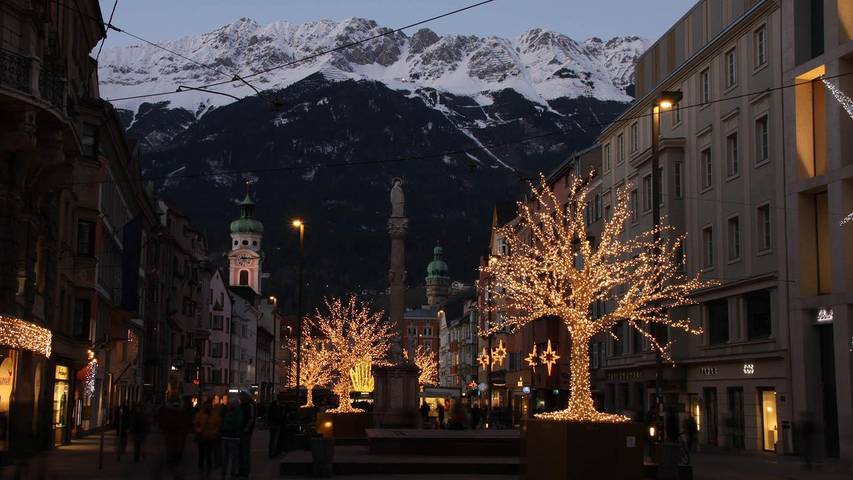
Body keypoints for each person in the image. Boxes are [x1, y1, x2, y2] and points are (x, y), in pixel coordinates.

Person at [158, 396, 192, 479]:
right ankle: (174, 466)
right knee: (176, 450)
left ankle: (173, 466)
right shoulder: (182, 412)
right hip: (176, 435)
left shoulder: (168, 411)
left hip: (174, 435)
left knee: (173, 450)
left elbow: (163, 422)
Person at [194, 400, 222, 480]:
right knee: (201, 454)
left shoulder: (215, 415)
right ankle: (201, 470)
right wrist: (198, 430)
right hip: (202, 436)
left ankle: (208, 470)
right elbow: (195, 423)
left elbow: (218, 425)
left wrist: (214, 432)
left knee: (209, 454)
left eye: (209, 405)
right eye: (206, 405)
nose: (208, 407)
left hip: (211, 437)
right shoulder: (200, 414)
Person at [221, 402, 242, 480]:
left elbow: (224, 423)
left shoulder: (227, 413)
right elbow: (239, 423)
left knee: (226, 457)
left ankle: (224, 473)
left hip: (227, 436)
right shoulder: (238, 413)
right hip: (233, 437)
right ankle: (232, 473)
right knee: (233, 457)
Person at [237, 392, 256, 478]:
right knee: (240, 452)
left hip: (245, 432)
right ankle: (241, 470)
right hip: (240, 431)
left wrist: (247, 429)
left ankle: (245, 471)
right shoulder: (241, 406)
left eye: (241, 396)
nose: (240, 398)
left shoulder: (250, 406)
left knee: (244, 452)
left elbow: (251, 419)